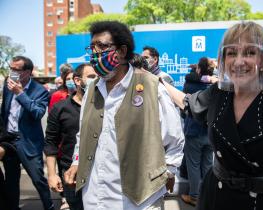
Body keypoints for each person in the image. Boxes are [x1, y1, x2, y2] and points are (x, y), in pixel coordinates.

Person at [162, 21, 263, 210]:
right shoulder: (218, 94)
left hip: (262, 202)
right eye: (231, 53)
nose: (239, 61)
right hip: (214, 198)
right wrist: (158, 81)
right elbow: (188, 103)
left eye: (250, 52)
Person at [64, 21, 184, 210]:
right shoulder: (91, 90)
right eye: (92, 47)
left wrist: (168, 173)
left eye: (102, 47)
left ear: (121, 51)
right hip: (95, 196)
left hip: (140, 200)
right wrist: (76, 162)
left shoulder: (152, 87)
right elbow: (83, 135)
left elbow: (174, 139)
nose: (95, 53)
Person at [1, 56, 54, 210]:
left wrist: (20, 93)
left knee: (38, 179)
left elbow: (37, 113)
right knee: (11, 179)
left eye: (16, 69)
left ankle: (49, 206)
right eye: (11, 68)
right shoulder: (7, 85)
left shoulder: (40, 91)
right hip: (9, 140)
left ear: (28, 72)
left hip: (28, 142)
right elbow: (5, 110)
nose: (12, 72)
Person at [45, 63, 97, 210]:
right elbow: (50, 142)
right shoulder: (60, 108)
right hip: (71, 172)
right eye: (92, 77)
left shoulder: (104, 105)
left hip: (99, 171)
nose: (96, 80)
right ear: (77, 80)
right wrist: (52, 174)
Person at [180, 57, 214, 206]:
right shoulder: (216, 86)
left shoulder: (190, 85)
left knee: (193, 165)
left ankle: (195, 196)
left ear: (198, 69)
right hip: (210, 132)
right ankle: (207, 195)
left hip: (193, 130)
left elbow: (184, 107)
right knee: (207, 165)